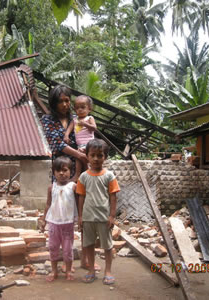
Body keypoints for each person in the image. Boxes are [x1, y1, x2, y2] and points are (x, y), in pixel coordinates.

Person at [40, 85, 100, 272]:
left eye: (67, 101)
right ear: (54, 102)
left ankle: (84, 259)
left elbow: (88, 137)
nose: (65, 104)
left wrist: (85, 157)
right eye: (61, 101)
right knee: (61, 217)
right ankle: (64, 262)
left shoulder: (77, 119)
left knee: (83, 215)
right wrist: (81, 155)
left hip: (81, 174)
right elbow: (56, 143)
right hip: (61, 175)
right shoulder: (48, 119)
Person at [76, 139, 120, 285]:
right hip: (88, 218)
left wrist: (112, 216)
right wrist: (80, 216)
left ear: (105, 157)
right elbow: (81, 197)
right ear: (87, 156)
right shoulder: (83, 177)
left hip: (103, 218)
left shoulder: (109, 176)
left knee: (107, 246)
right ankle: (91, 270)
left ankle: (108, 271)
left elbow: (113, 197)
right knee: (88, 244)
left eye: (99, 155)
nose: (95, 159)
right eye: (92, 155)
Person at [41, 156, 77, 282]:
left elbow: (79, 203)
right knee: (53, 247)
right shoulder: (52, 188)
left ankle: (68, 271)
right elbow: (48, 204)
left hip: (68, 223)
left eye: (65, 170)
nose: (61, 173)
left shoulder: (73, 187)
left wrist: (80, 218)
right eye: (58, 171)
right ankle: (54, 271)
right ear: (54, 172)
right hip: (54, 223)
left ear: (70, 172)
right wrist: (44, 219)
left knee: (67, 249)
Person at [64, 95, 97, 172]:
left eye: (82, 107)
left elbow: (94, 128)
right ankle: (78, 174)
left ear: (89, 109)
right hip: (80, 145)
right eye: (77, 108)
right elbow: (69, 129)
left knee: (89, 159)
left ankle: (89, 172)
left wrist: (85, 124)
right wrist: (66, 135)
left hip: (90, 143)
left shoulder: (89, 118)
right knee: (78, 157)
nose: (80, 110)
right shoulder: (74, 120)